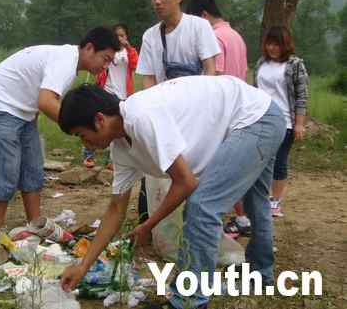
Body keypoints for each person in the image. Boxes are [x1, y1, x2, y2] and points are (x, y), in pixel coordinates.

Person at [58, 78, 286, 309]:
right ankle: (260, 274)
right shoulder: (122, 149)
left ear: (99, 120)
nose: (84, 144)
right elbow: (115, 209)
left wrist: (148, 225)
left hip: (255, 118)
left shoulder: (140, 117)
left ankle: (189, 300)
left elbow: (186, 183)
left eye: (81, 135)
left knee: (201, 207)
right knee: (255, 200)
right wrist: (83, 266)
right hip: (259, 114)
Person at [0, 27, 120, 262]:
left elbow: (42, 100)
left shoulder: (71, 64)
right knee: (7, 168)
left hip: (23, 110)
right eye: (105, 59)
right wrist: (82, 128)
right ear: (89, 48)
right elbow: (46, 101)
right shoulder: (65, 62)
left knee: (33, 166)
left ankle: (35, 224)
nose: (104, 66)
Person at [136, 0, 220, 225]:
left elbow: (210, 69)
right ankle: (151, 220)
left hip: (197, 107)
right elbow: (148, 79)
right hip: (165, 110)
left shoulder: (198, 27)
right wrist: (151, 111)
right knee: (158, 164)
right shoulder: (150, 36)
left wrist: (203, 106)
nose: (157, 2)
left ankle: (198, 220)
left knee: (198, 163)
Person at [186, 0, 251, 237]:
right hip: (240, 107)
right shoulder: (236, 36)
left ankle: (237, 218)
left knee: (216, 167)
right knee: (235, 166)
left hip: (222, 110)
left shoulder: (213, 36)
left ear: (203, 16)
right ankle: (242, 215)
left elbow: (216, 75)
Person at [254, 26, 309, 217]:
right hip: (259, 117)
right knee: (259, 159)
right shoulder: (262, 62)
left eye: (276, 44)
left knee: (279, 161)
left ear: (285, 44)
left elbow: (301, 96)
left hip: (284, 120)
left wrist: (299, 123)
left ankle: (275, 201)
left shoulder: (295, 64)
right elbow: (255, 89)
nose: (272, 48)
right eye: (269, 43)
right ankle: (259, 197)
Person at [82, 23, 139, 169]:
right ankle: (89, 155)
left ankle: (112, 161)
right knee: (97, 122)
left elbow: (136, 65)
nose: (120, 38)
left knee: (115, 127)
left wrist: (129, 47)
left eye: (123, 35)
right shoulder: (108, 52)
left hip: (123, 94)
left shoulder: (128, 52)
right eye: (117, 35)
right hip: (106, 90)